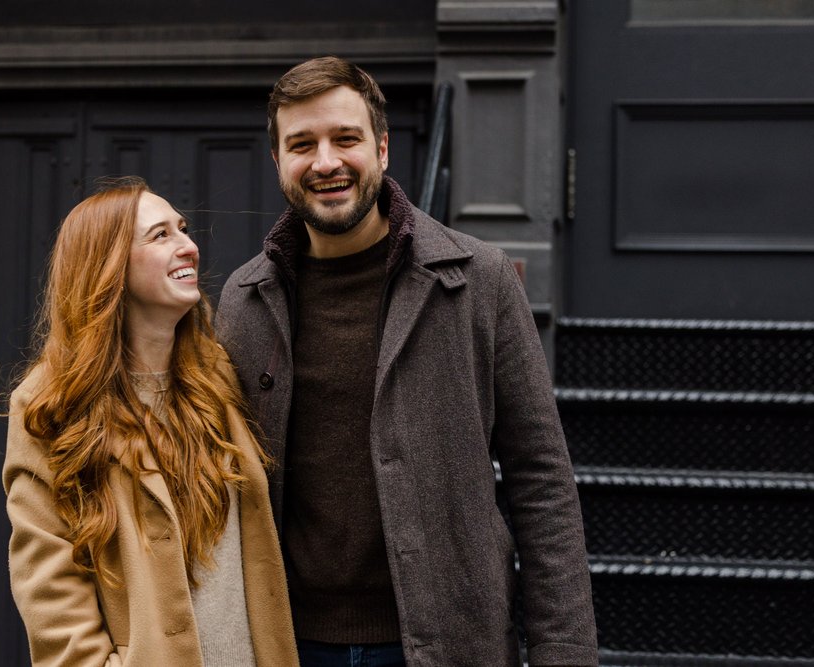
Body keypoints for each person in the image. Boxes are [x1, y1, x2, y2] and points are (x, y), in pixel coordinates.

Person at [216, 57, 598, 666]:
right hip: (287, 642)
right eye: (302, 144)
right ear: (278, 161)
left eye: (346, 138)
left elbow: (541, 480)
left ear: (383, 148)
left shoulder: (480, 280)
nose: (326, 162)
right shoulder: (243, 299)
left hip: (448, 639)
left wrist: (564, 652)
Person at [2, 177, 300, 667]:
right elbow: (50, 596)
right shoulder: (50, 408)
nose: (188, 246)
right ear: (108, 267)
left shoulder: (219, 377)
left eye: (182, 230)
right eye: (160, 235)